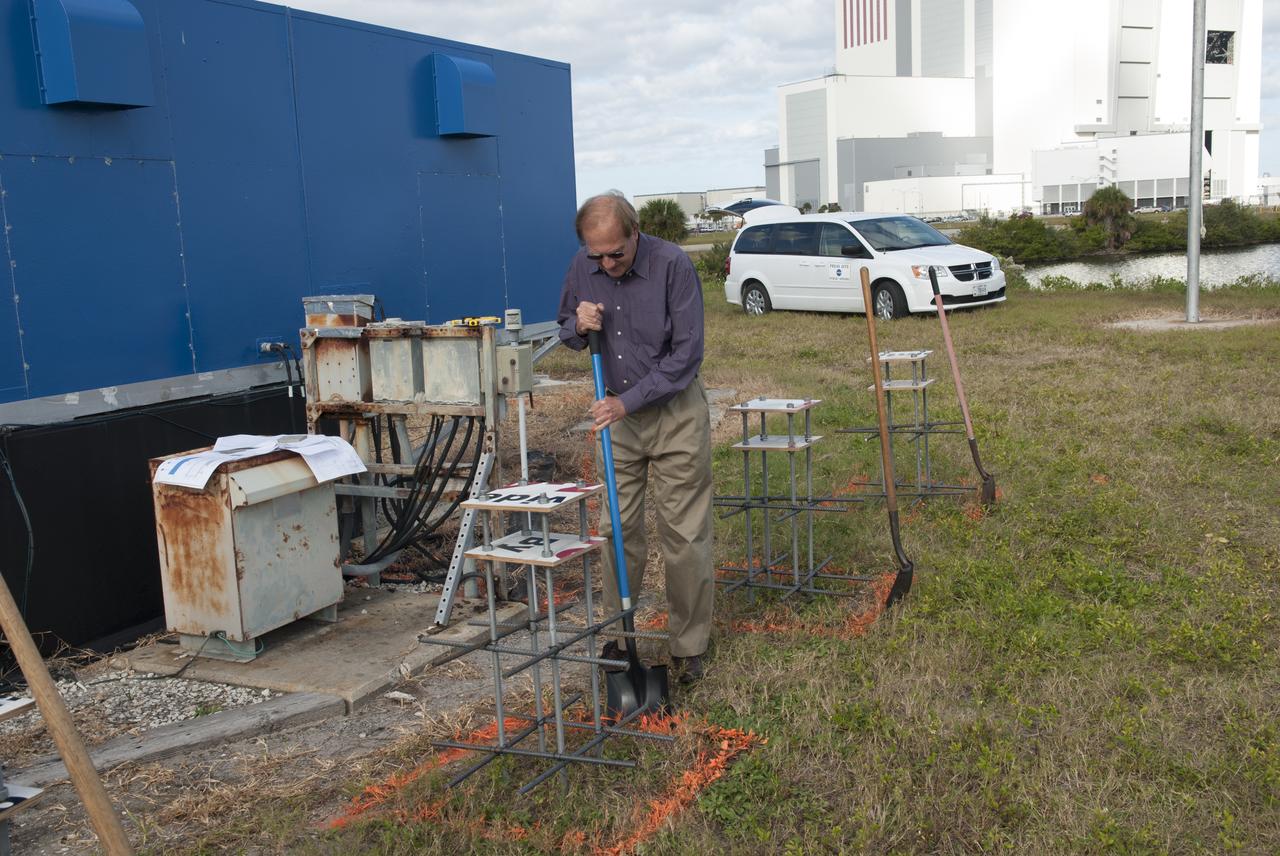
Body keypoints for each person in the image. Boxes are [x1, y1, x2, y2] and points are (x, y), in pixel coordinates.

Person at [556, 191, 713, 684]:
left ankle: (688, 646)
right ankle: (618, 638)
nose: (606, 263)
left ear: (635, 233)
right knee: (617, 531)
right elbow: (564, 325)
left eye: (615, 254)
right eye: (596, 255)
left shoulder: (673, 266)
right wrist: (577, 327)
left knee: (683, 535)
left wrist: (628, 402)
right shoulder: (583, 266)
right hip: (617, 418)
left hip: (674, 412)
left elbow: (687, 354)